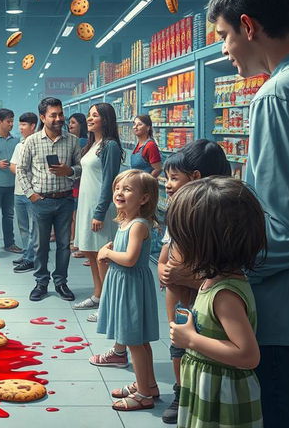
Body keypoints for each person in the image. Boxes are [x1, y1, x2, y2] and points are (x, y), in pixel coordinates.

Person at [207, 0, 289, 428]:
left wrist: (220, 269)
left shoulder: (278, 95)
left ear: (249, 26)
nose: (223, 48)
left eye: (224, 34)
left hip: (287, 314)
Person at [168, 177, 267, 428]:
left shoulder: (225, 295)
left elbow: (247, 355)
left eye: (182, 238)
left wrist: (190, 340)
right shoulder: (213, 280)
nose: (176, 246)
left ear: (203, 243)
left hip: (223, 398)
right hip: (208, 388)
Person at [157, 139, 232, 424]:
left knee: (201, 344)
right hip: (178, 296)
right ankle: (181, 392)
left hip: (205, 295)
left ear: (196, 178)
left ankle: (199, 392)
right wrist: (163, 267)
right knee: (177, 343)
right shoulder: (178, 208)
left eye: (174, 178)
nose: (167, 184)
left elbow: (221, 270)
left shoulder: (217, 214)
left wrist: (182, 274)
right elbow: (168, 245)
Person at [97, 169, 160, 411]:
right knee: (139, 341)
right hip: (125, 283)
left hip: (130, 286)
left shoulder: (138, 225)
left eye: (127, 189)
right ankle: (149, 384)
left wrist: (107, 252)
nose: (119, 192)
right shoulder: (125, 222)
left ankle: (143, 395)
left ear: (144, 198)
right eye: (117, 188)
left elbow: (131, 258)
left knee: (134, 341)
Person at [17, 96, 82, 302]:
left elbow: (81, 168)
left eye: (60, 114)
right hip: (41, 201)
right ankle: (41, 282)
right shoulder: (32, 141)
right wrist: (31, 194)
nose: (58, 118)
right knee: (40, 245)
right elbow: (21, 169)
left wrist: (69, 170)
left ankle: (61, 282)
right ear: (43, 117)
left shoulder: (72, 141)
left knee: (64, 245)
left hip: (64, 201)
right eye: (53, 115)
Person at [73, 104, 123, 325]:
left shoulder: (110, 146)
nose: (90, 118)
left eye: (95, 115)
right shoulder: (94, 144)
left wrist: (100, 212)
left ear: (106, 120)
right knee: (90, 252)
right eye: (89, 115)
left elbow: (109, 182)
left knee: (103, 256)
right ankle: (97, 294)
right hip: (86, 204)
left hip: (100, 207)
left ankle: (108, 305)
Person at [0, 109, 21, 255]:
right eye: (8, 121)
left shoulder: (16, 140)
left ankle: (10, 243)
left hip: (12, 184)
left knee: (9, 215)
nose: (11, 124)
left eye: (13, 121)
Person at [10, 111, 39, 273]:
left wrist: (22, 169)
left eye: (23, 125)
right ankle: (27, 253)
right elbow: (13, 166)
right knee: (22, 226)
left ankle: (31, 258)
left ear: (32, 126)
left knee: (34, 227)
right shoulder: (19, 145)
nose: (20, 128)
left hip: (33, 193)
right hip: (18, 192)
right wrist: (22, 170)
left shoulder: (37, 144)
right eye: (19, 124)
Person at [68, 113, 88, 254]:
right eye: (69, 122)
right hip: (78, 182)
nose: (70, 125)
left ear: (81, 125)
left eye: (73, 122)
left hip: (77, 183)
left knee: (75, 214)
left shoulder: (79, 142)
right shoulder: (81, 140)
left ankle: (75, 241)